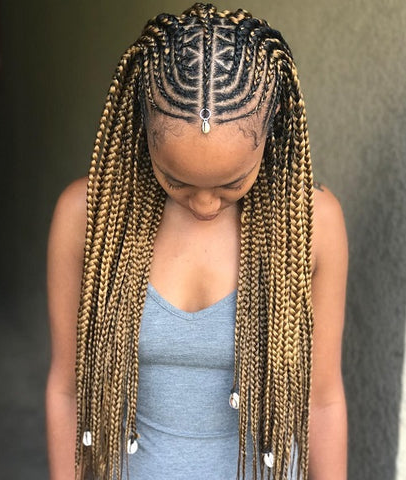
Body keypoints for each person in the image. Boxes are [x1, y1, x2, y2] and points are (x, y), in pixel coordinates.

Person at [46, 3, 348, 480]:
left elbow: (323, 400)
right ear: (141, 129)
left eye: (231, 183)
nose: (205, 204)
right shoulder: (91, 217)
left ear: (272, 133)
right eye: (176, 181)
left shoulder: (311, 224)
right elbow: (67, 390)